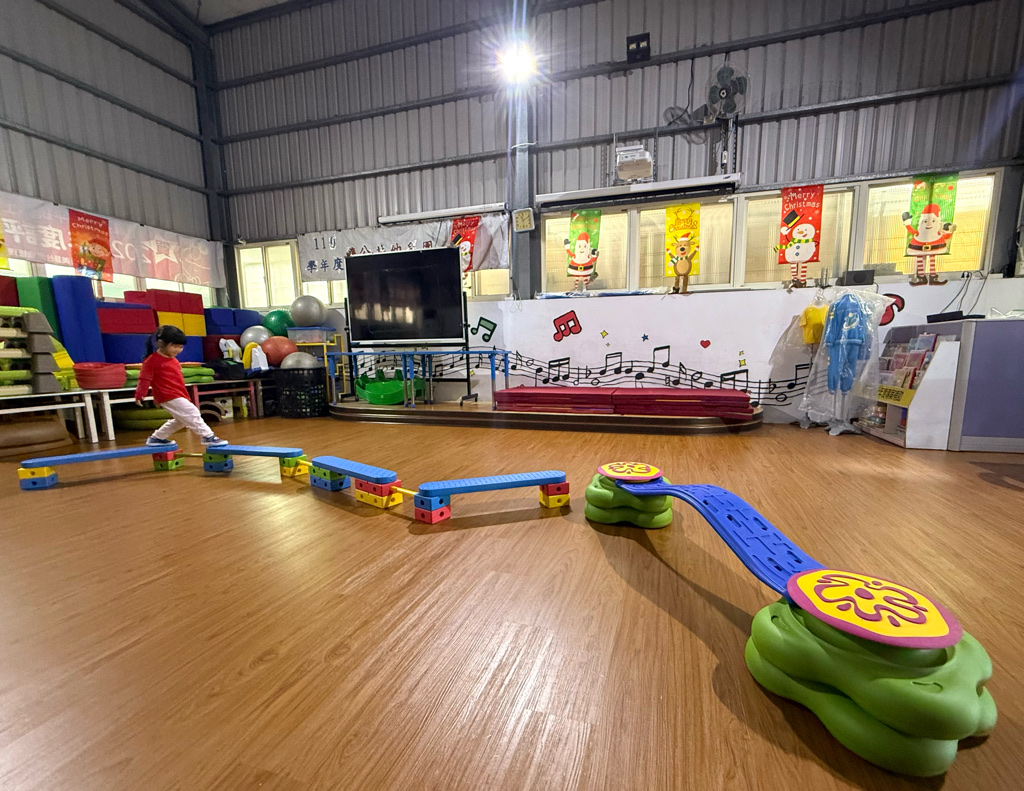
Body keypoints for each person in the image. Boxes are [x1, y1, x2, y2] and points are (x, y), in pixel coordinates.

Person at [135, 325, 228, 448]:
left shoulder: (173, 360)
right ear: (161, 343)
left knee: (181, 420)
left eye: (181, 347)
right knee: (192, 412)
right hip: (167, 395)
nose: (178, 350)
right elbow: (144, 379)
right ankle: (208, 436)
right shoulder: (151, 361)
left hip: (178, 394)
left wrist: (185, 396)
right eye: (175, 346)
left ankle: (157, 438)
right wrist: (140, 394)